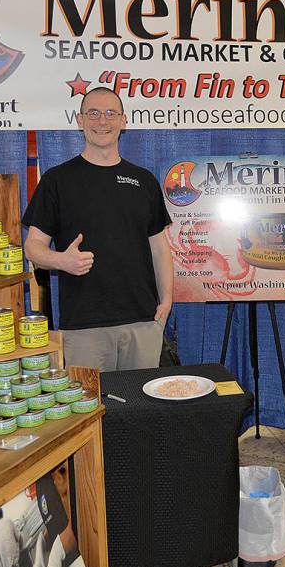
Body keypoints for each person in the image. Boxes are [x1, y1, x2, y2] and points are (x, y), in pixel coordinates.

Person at [22, 87, 173, 372]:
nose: (101, 121)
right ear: (80, 120)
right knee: (88, 411)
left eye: (110, 113)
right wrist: (61, 260)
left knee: (139, 407)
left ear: (123, 121)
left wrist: (167, 299)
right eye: (93, 113)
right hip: (84, 325)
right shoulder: (57, 181)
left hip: (141, 320)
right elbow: (33, 246)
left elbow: (159, 245)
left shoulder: (144, 181)